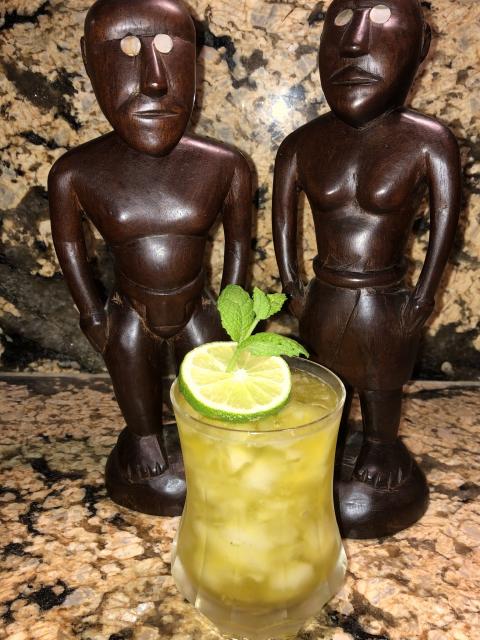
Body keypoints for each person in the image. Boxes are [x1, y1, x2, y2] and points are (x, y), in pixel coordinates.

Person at [49, 0, 252, 515]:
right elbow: (70, 247)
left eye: (169, 49)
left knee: (212, 390)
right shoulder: (76, 172)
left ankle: (208, 442)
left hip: (198, 306)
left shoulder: (224, 165)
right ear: (91, 62)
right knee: (131, 371)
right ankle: (142, 436)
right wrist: (92, 313)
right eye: (127, 51)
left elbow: (238, 244)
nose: (155, 81)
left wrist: (233, 307)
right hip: (129, 308)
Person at [273, 0, 461, 537]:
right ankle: (328, 443)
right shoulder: (302, 143)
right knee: (325, 379)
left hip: (386, 292)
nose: (354, 42)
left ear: (419, 49)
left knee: (383, 381)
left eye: (379, 21)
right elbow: (282, 224)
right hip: (325, 291)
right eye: (340, 22)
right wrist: (292, 286)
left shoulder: (427, 140)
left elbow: (445, 226)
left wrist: (423, 295)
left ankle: (381, 444)